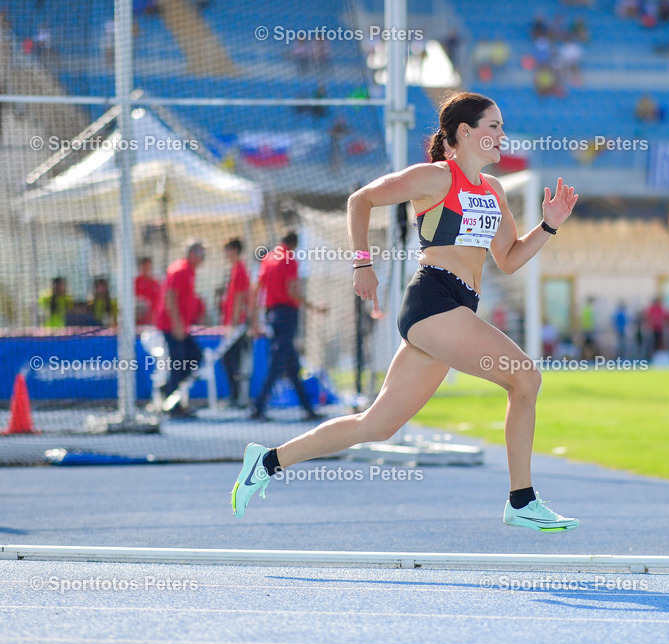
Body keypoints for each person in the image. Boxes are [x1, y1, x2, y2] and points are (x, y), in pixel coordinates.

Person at [232, 92, 581, 533]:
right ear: (465, 133)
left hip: (455, 309)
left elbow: (509, 259)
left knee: (376, 426)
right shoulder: (434, 177)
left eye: (501, 125)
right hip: (433, 300)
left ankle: (266, 460)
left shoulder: (493, 190)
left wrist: (548, 225)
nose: (501, 134)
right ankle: (521, 499)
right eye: (492, 126)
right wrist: (362, 263)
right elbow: (361, 200)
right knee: (525, 375)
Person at [248, 231, 327, 422]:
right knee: (277, 363)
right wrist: (314, 307)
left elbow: (256, 288)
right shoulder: (289, 259)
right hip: (286, 315)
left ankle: (307, 409)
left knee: (291, 365)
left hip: (271, 314)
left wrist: (255, 319)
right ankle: (257, 407)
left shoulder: (268, 259)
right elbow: (292, 291)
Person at [155, 240, 206, 418]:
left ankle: (170, 390)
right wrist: (176, 323)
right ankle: (173, 403)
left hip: (180, 326)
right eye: (199, 253)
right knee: (178, 363)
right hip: (171, 325)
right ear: (191, 253)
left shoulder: (189, 272)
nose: (202, 258)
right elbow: (170, 297)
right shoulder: (180, 270)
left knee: (193, 357)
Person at [220, 237, 250, 408]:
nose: (226, 254)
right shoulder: (234, 270)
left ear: (235, 250)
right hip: (234, 322)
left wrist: (234, 321)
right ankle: (236, 396)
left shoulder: (239, 270)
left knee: (232, 359)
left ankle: (237, 397)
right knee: (231, 360)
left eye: (228, 250)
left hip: (237, 324)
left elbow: (239, 297)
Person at [135, 257, 161, 326]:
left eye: (148, 267)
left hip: (153, 320)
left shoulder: (155, 283)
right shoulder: (136, 282)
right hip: (139, 322)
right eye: (144, 266)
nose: (147, 269)